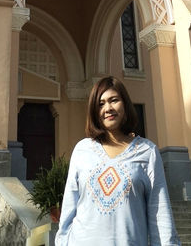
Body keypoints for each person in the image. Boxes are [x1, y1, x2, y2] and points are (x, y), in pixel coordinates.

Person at [55, 76, 180, 245]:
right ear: (94, 110)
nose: (108, 108)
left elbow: (160, 212)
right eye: (101, 104)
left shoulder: (147, 151)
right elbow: (69, 208)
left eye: (114, 100)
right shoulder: (82, 150)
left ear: (125, 105)